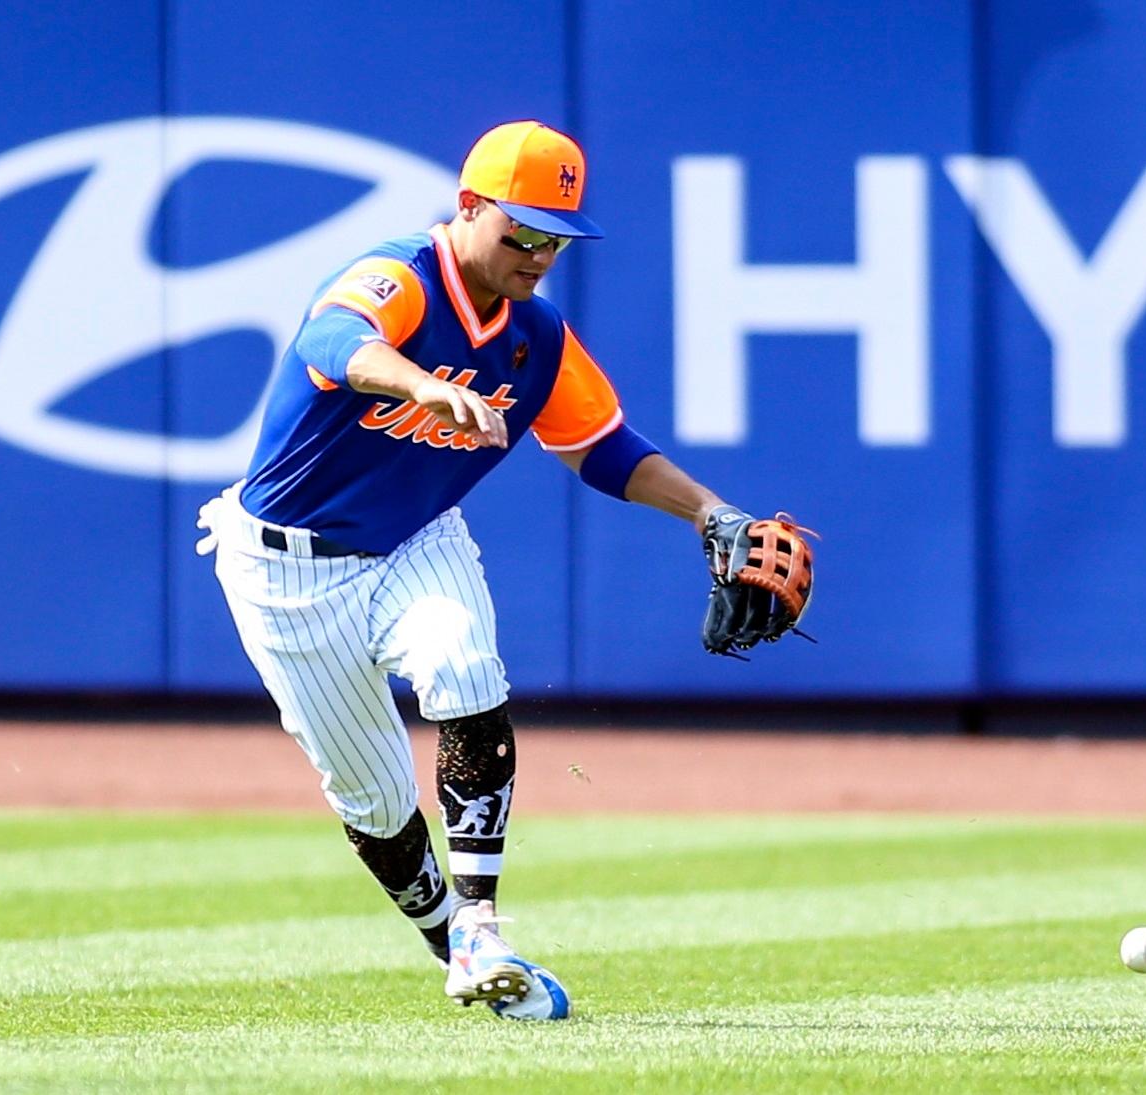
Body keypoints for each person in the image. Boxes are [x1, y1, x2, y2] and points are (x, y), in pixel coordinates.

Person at [194, 120, 810, 1021]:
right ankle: (458, 946)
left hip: (416, 539)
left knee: (464, 668)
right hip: (284, 570)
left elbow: (604, 447)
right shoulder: (401, 274)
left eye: (555, 236)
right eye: (520, 229)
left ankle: (482, 920)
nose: (538, 251)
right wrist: (415, 382)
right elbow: (333, 337)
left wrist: (712, 512)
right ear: (470, 208)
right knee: (371, 799)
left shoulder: (538, 337)